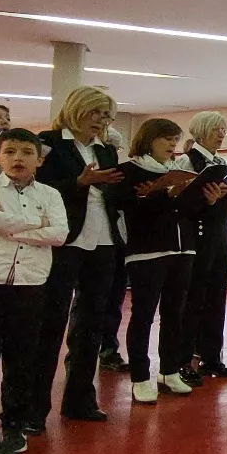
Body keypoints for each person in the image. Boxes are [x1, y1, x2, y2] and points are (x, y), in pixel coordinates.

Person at [0, 129, 68, 454]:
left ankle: (15, 425)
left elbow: (60, 234)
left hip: (30, 284)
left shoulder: (51, 194)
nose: (18, 158)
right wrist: (37, 224)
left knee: (22, 361)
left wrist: (11, 225)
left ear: (40, 159)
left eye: (26, 152)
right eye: (10, 152)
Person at [109, 119, 227, 402]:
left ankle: (170, 370)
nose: (172, 146)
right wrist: (162, 194)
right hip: (147, 251)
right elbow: (128, 208)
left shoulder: (177, 172)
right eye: (167, 140)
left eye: (175, 141)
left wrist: (205, 201)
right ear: (149, 139)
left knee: (175, 314)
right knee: (144, 315)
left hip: (183, 249)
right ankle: (140, 376)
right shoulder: (129, 171)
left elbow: (186, 212)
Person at [32, 86, 124, 431]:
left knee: (91, 323)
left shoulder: (107, 150)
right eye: (96, 113)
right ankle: (33, 407)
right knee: (50, 322)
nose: (100, 121)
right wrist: (79, 181)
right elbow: (37, 187)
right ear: (78, 109)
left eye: (106, 116)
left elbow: (114, 193)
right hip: (65, 240)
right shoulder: (50, 142)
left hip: (103, 240)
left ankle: (80, 399)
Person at [179, 111, 227, 380]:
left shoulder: (220, 162)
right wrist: (208, 201)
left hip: (219, 233)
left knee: (217, 297)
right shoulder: (187, 161)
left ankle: (211, 357)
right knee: (195, 297)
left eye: (224, 130)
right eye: (217, 129)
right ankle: (184, 361)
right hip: (198, 235)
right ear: (202, 130)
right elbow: (183, 205)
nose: (221, 134)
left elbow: (221, 206)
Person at [98, 124, 130, 372]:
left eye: (115, 149)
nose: (112, 152)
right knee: (95, 302)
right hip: (97, 243)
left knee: (115, 301)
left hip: (119, 242)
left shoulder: (121, 176)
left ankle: (109, 349)